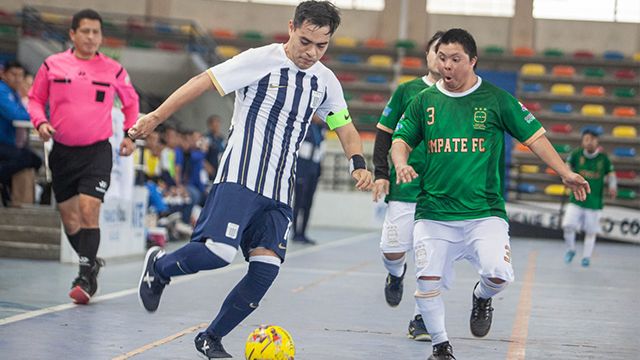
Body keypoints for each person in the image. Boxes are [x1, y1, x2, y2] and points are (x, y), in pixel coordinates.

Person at [129, 1, 373, 358]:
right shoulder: (260, 59)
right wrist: (155, 117)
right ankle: (160, 267)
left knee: (265, 271)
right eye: (305, 41)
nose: (312, 53)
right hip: (240, 175)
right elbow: (202, 82)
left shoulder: (325, 81)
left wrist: (358, 162)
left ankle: (211, 338)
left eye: (322, 45)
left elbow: (345, 127)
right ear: (292, 27)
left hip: (279, 190)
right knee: (218, 252)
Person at [390, 28, 590, 360]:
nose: (447, 66)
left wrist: (565, 172)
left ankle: (482, 296)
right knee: (427, 282)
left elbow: (536, 137)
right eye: (442, 58)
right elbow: (401, 140)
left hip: (484, 213)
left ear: (472, 61)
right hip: (434, 213)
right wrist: (400, 163)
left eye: (456, 60)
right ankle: (441, 346)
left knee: (498, 275)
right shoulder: (423, 100)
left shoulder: (496, 100)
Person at [28, 9, 139, 305]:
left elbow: (131, 103)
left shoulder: (113, 69)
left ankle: (84, 276)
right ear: (73, 34)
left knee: (89, 209)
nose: (92, 37)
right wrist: (40, 122)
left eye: (96, 32)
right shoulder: (52, 65)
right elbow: (35, 99)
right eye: (86, 31)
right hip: (62, 152)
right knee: (70, 218)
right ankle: (92, 264)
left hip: (97, 151)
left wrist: (130, 134)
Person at [372, 31, 444, 342]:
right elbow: (384, 133)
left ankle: (421, 319)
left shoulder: (465, 97)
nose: (442, 60)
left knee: (430, 260)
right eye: (437, 52)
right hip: (404, 187)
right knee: (392, 250)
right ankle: (395, 272)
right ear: (428, 56)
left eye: (450, 55)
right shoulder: (407, 91)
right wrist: (380, 172)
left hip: (441, 192)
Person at [562, 128, 616, 267]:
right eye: (586, 139)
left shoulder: (603, 158)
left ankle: (586, 257)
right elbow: (567, 166)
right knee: (568, 225)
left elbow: (611, 174)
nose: (589, 142)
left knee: (591, 232)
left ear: (597, 141)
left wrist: (613, 185)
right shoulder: (576, 154)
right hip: (576, 199)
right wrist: (566, 174)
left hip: (594, 202)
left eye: (592, 139)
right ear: (582, 141)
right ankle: (571, 250)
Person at [0, 61, 42, 206]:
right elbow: (16, 114)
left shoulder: (14, 93)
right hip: (3, 143)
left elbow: (24, 113)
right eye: (13, 74)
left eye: (20, 75)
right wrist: (39, 118)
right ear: (3, 74)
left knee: (33, 159)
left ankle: (7, 191)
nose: (17, 79)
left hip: (9, 144)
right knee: (31, 159)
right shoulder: (2, 91)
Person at [292, 117, 325, 244]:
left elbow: (320, 150)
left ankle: (303, 232)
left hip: (314, 171)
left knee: (308, 203)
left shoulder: (321, 129)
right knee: (299, 202)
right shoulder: (304, 126)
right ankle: (296, 233)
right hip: (303, 169)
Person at [205, 114, 226, 180]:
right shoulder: (207, 138)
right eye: (214, 123)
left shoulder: (222, 139)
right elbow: (201, 155)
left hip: (220, 169)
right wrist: (207, 166)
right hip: (210, 170)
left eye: (218, 123)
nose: (217, 125)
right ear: (210, 125)